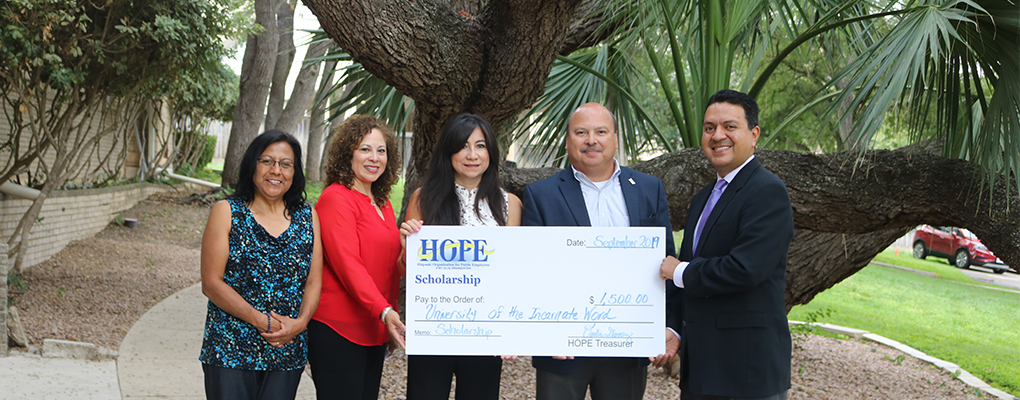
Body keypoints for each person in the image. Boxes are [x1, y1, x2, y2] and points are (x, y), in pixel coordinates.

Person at [521, 102, 676, 400]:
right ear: (568, 142)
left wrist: (667, 325)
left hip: (628, 346)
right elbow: (533, 271)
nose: (591, 140)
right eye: (581, 132)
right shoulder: (541, 195)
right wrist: (545, 333)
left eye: (601, 132)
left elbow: (665, 262)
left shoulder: (648, 189)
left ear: (615, 139)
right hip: (563, 349)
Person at [659, 89, 794, 400]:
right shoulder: (703, 198)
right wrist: (675, 330)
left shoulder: (768, 192)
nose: (718, 135)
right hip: (702, 370)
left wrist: (680, 271)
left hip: (745, 371)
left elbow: (746, 268)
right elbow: (688, 274)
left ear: (754, 133)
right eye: (709, 128)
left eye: (730, 126)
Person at [399, 113, 522, 400]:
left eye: (480, 146)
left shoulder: (509, 205)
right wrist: (407, 249)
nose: (472, 155)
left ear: (491, 151)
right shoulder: (422, 199)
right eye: (463, 146)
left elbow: (513, 274)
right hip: (434, 328)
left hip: (484, 332)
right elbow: (406, 273)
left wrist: (511, 330)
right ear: (448, 151)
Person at [199, 130, 323, 400]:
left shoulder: (307, 216)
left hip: (286, 348)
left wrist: (300, 324)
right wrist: (261, 321)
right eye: (266, 161)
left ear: (295, 171)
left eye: (285, 164)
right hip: (230, 347)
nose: (275, 171)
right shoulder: (227, 212)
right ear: (252, 165)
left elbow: (314, 281)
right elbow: (211, 283)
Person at [308, 115, 405, 400]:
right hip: (338, 330)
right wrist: (385, 312)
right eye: (365, 149)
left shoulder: (382, 203)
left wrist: (389, 317)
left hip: (374, 326)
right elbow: (349, 265)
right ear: (347, 153)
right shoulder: (336, 198)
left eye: (381, 150)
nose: (374, 157)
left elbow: (388, 267)